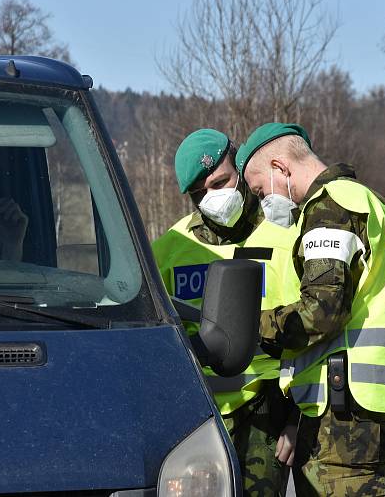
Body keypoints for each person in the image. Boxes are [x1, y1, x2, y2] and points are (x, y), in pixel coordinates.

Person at [235, 123, 385, 496]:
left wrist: (249, 327)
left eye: (258, 189)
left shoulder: (331, 206)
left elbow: (322, 310)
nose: (262, 200)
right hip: (384, 409)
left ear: (280, 168)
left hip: (341, 416)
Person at [151, 129, 301, 496]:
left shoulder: (287, 236)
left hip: (267, 414)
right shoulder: (170, 250)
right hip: (195, 415)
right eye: (200, 194)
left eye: (221, 182)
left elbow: (314, 332)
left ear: (240, 168)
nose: (213, 198)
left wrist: (298, 422)